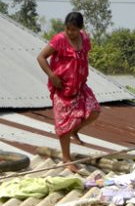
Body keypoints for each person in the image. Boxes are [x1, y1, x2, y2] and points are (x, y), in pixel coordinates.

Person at [36, 11, 101, 172]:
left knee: (94, 111)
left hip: (79, 86)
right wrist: (52, 76)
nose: (70, 33)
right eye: (68, 29)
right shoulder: (59, 40)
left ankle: (76, 130)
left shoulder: (84, 39)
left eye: (74, 30)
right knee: (64, 125)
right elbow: (41, 57)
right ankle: (67, 159)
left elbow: (83, 57)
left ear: (80, 28)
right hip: (62, 87)